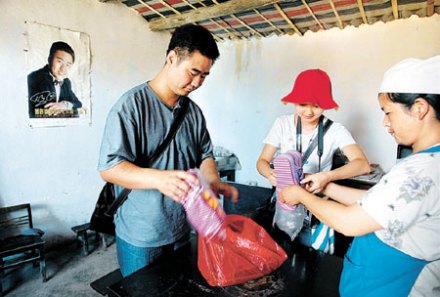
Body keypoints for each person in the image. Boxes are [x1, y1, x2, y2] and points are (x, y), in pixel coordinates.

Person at [279, 55, 440, 296]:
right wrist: (325, 187)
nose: (386, 123)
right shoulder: (425, 161)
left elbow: (350, 222)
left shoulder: (422, 170)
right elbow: (376, 201)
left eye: (388, 112)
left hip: (391, 287)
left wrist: (301, 195)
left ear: (419, 109)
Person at [97, 24, 238, 277]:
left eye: (204, 76)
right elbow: (110, 168)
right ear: (172, 58)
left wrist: (214, 181)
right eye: (193, 72)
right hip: (142, 234)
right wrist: (159, 178)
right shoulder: (131, 106)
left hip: (182, 227)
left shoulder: (192, 112)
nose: (197, 83)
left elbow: (204, 154)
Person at [257, 69, 371, 194]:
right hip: (286, 194)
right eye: (303, 105)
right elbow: (262, 162)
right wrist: (270, 174)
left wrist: (327, 176)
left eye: (316, 106)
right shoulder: (282, 124)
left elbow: (363, 165)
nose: (309, 112)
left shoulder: (335, 130)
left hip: (317, 197)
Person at [27, 41, 82, 118]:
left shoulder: (66, 82)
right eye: (59, 62)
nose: (63, 69)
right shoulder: (35, 78)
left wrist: (65, 105)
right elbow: (41, 113)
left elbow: (78, 104)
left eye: (68, 65)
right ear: (50, 59)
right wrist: (72, 112)